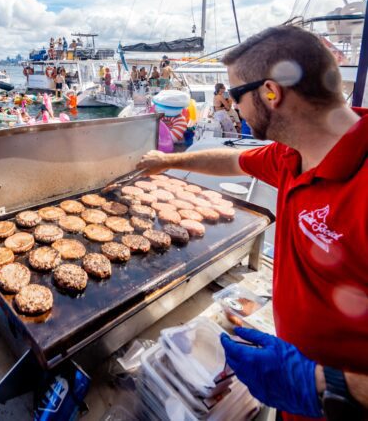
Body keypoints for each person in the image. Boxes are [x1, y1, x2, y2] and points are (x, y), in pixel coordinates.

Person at [137, 26, 368, 419]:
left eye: (235, 94)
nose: (231, 105)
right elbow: (232, 160)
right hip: (294, 397)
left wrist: (318, 384)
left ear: (271, 93)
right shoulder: (292, 156)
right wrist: (169, 161)